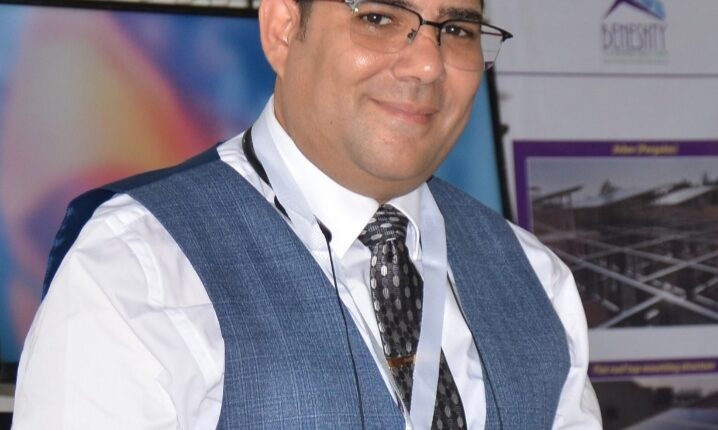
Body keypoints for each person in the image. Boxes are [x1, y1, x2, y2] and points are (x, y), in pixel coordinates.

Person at [13, 0, 602, 427]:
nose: (427, 64)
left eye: (456, 29)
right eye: (379, 18)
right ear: (283, 28)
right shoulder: (137, 265)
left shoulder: (536, 280)